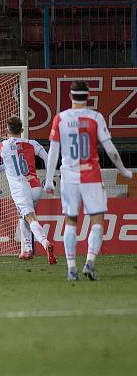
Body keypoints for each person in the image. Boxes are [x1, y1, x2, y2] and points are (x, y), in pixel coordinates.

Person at [44, 81, 133, 281]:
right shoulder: (95, 117)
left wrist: (49, 180)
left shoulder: (61, 118)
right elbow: (110, 149)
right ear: (88, 96)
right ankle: (90, 263)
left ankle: (71, 268)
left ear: (71, 96)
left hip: (68, 176)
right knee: (97, 220)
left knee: (71, 220)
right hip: (91, 175)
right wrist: (123, 170)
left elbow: (53, 152)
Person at [0, 117, 56, 265]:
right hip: (35, 186)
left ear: (7, 130)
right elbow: (48, 158)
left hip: (20, 188)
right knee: (23, 215)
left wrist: (6, 166)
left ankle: (46, 244)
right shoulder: (32, 143)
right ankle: (27, 249)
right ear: (22, 130)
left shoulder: (1, 146)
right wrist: (49, 178)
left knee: (30, 217)